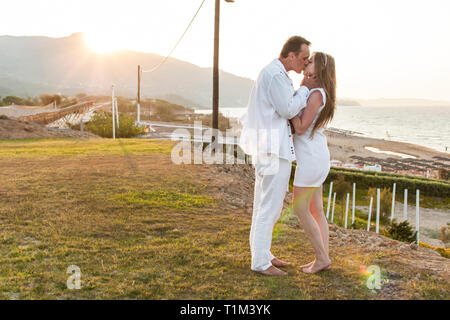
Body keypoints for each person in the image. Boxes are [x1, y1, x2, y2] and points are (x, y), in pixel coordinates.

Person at [239, 36, 319, 276]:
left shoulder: (276, 74)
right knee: (270, 208)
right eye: (304, 58)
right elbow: (287, 109)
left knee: (262, 206)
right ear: (291, 55)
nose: (305, 64)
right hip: (273, 150)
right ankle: (260, 263)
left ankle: (263, 254)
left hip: (270, 148)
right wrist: (305, 88)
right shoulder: (275, 75)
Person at [289, 52, 336, 273]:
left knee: (299, 207)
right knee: (316, 209)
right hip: (317, 157)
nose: (306, 63)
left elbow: (299, 127)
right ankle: (323, 257)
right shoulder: (319, 92)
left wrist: (287, 109)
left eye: (311, 61)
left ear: (320, 69)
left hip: (310, 160)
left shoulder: (316, 94)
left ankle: (321, 258)